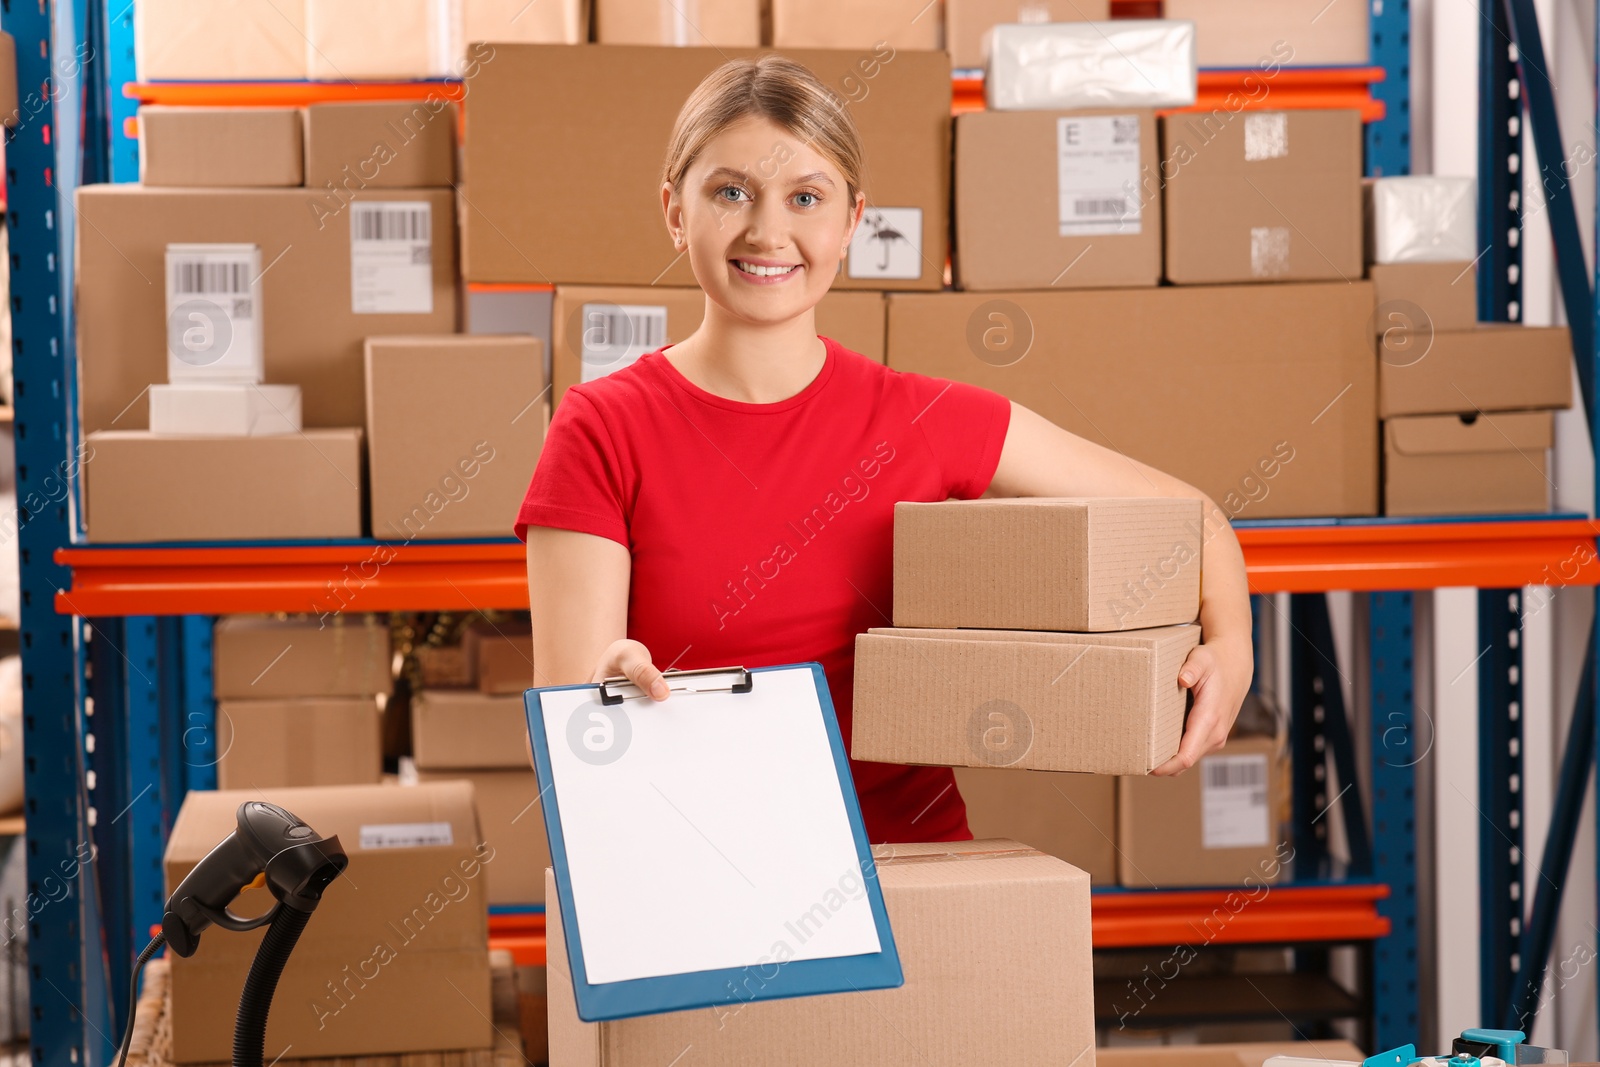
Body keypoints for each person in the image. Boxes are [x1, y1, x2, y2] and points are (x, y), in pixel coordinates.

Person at [517, 55, 1254, 844]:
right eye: (730, 191)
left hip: (907, 873)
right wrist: (601, 701)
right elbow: (570, 742)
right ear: (674, 209)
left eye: (806, 197)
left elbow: (1192, 519)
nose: (768, 230)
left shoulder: (924, 419)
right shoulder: (603, 429)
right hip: (699, 874)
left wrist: (1234, 645)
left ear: (852, 223)